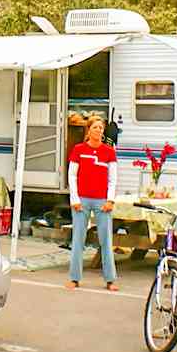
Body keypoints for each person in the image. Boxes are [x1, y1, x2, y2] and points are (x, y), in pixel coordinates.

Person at [66, 117, 119, 291]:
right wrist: (74, 199)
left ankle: (110, 279)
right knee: (78, 238)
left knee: (105, 239)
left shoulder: (109, 152)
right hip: (82, 200)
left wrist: (110, 200)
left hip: (102, 200)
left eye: (101, 128)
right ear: (88, 130)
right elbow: (72, 176)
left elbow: (112, 179)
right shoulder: (79, 150)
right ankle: (74, 278)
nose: (99, 131)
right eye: (95, 127)